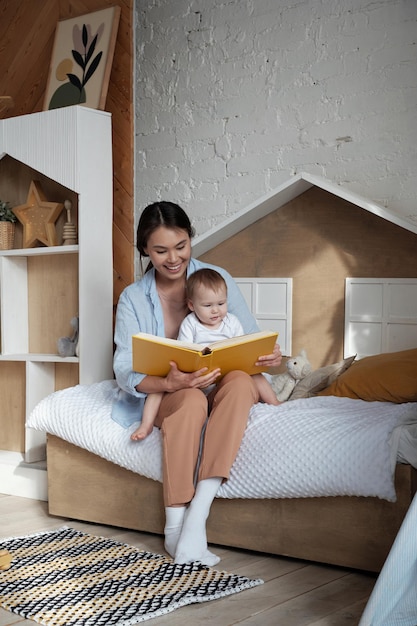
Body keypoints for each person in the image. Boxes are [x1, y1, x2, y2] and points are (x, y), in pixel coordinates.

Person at [112, 201, 282, 566]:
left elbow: (248, 337)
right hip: (172, 393)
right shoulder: (133, 298)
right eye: (160, 250)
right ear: (145, 249)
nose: (173, 259)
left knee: (239, 382)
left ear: (190, 239)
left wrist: (268, 356)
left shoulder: (216, 277)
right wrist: (168, 383)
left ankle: (199, 512)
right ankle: (175, 526)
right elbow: (124, 368)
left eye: (181, 246)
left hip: (222, 381)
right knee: (189, 401)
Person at [130, 268, 280, 441]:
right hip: (194, 385)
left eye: (221, 303)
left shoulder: (232, 322)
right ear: (192, 305)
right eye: (208, 306)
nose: (216, 311)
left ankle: (275, 404)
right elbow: (184, 352)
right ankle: (146, 425)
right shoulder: (190, 324)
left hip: (223, 384)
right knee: (159, 384)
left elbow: (241, 347)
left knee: (254, 373)